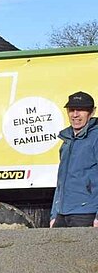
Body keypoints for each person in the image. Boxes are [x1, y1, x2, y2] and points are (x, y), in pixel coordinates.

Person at [50, 91, 98, 228]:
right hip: (62, 214)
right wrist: (54, 215)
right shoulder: (67, 141)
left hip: (86, 213)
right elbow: (61, 182)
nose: (75, 114)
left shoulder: (95, 137)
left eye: (81, 110)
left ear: (92, 112)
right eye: (71, 110)